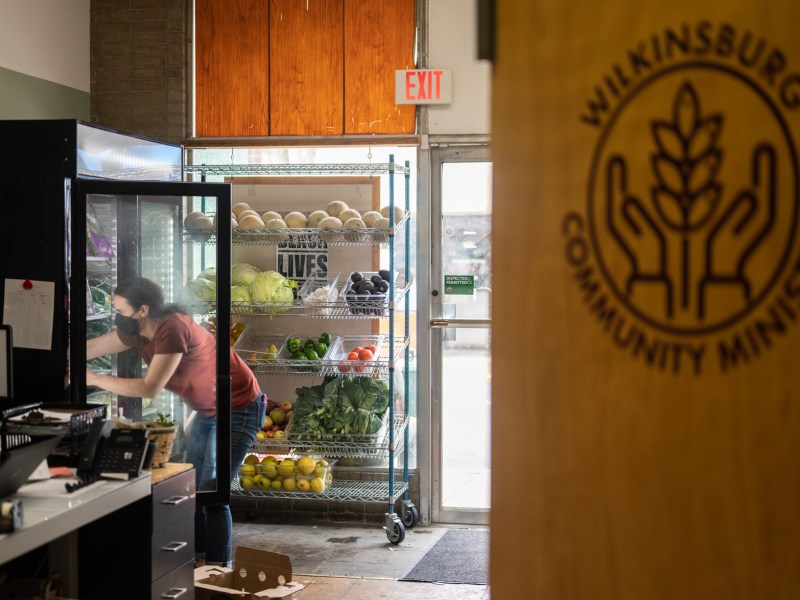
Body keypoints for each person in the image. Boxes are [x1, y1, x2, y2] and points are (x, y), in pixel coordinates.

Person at [86, 276, 265, 567]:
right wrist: (63, 359)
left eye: (120, 311)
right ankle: (196, 564)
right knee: (192, 488)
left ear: (142, 310)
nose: (117, 317)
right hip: (208, 411)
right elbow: (93, 347)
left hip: (239, 408)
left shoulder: (171, 327)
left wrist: (93, 378)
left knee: (213, 493)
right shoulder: (138, 331)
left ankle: (218, 574)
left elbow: (149, 388)